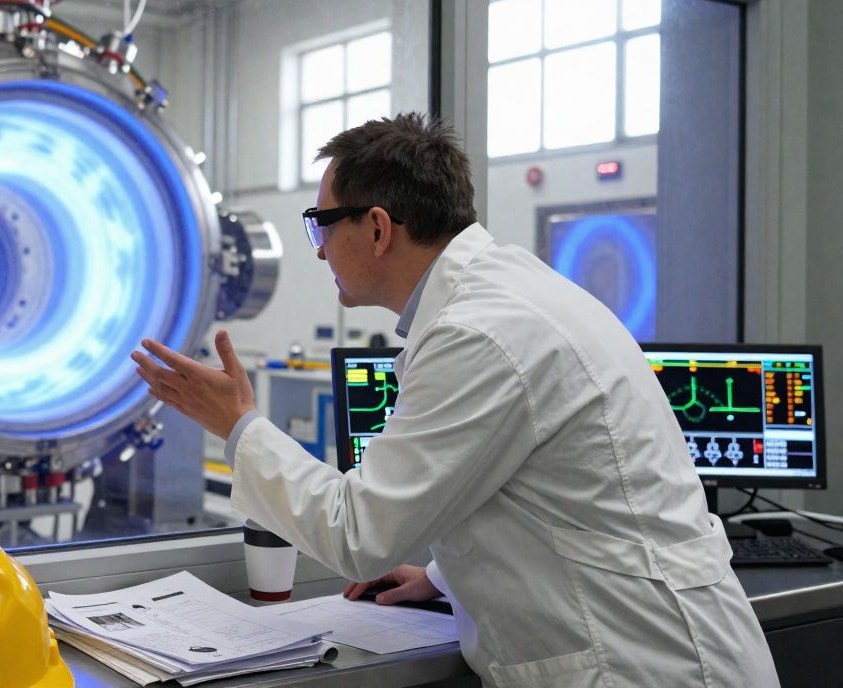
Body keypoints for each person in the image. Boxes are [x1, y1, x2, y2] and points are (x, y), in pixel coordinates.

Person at [130, 113, 778, 687]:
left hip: (641, 663)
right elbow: (545, 497)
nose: (320, 247)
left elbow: (359, 535)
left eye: (320, 225)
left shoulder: (481, 334)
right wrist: (440, 578)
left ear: (378, 228)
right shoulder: (508, 297)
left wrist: (239, 427)